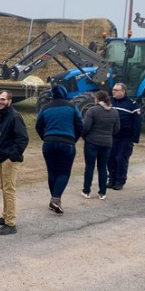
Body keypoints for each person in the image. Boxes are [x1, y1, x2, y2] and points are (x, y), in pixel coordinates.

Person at [36, 85, 83, 215]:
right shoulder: (72, 107)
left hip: (49, 142)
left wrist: (45, 137)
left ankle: (55, 199)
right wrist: (73, 139)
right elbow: (80, 125)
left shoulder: (45, 108)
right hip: (67, 142)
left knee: (52, 172)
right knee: (64, 172)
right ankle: (56, 198)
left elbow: (38, 125)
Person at [0, 90, 29, 235]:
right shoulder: (2, 116)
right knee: (4, 188)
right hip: (1, 157)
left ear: (10, 101)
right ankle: (5, 216)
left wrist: (12, 156)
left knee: (9, 190)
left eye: (3, 99)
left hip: (9, 160)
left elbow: (23, 139)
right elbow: (4, 137)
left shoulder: (14, 116)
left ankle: (11, 224)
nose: (0, 101)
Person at [81, 91, 120, 200]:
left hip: (92, 142)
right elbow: (116, 129)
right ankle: (102, 192)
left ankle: (86, 191)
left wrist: (85, 137)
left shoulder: (92, 110)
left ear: (97, 99)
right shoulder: (114, 112)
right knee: (103, 167)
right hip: (107, 142)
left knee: (89, 166)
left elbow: (85, 127)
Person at [107, 83, 142, 190]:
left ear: (123, 91)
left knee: (121, 159)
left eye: (117, 90)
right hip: (111, 136)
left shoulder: (131, 104)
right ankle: (111, 179)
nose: (114, 92)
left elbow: (137, 122)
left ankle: (120, 181)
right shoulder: (110, 102)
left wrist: (134, 138)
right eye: (113, 90)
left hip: (125, 138)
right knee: (110, 159)